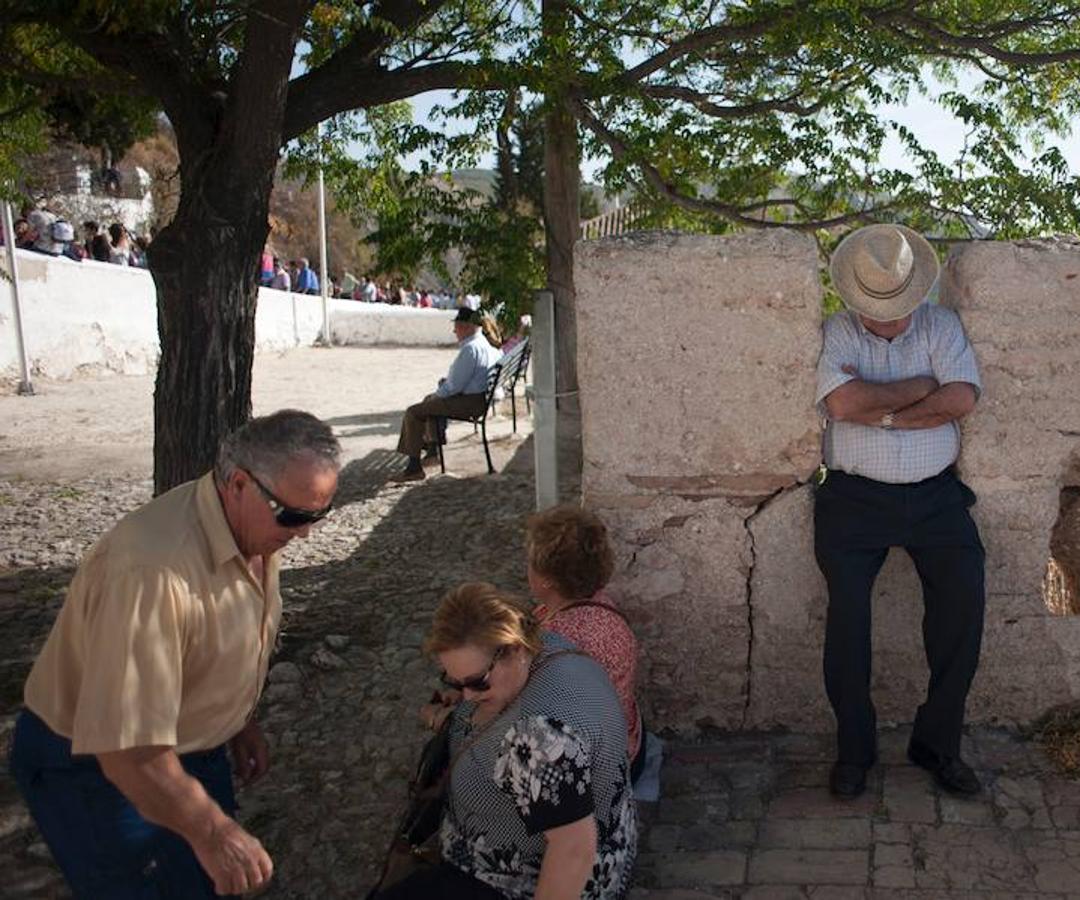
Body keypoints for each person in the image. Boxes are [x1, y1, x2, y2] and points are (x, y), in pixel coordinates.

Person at [9, 410, 341, 898]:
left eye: (318, 516)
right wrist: (213, 831)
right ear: (240, 484)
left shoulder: (250, 526)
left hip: (178, 751)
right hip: (97, 766)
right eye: (293, 516)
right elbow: (126, 749)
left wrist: (238, 720)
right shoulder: (151, 569)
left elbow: (214, 637)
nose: (304, 532)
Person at [814, 223, 986, 799]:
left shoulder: (942, 326)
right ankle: (853, 752)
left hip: (936, 497)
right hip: (853, 499)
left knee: (963, 607)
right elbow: (842, 402)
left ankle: (937, 745)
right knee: (847, 624)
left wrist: (883, 412)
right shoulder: (837, 332)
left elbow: (961, 397)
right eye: (876, 309)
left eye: (897, 307)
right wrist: (919, 388)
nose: (887, 321)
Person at [379, 582, 636, 899]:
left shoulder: (538, 739)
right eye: (454, 682)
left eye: (478, 682)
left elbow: (572, 852)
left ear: (514, 649)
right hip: (613, 845)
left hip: (516, 881)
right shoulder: (551, 645)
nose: (468, 696)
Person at [526, 505, 646, 780]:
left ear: (546, 581)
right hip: (629, 740)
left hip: (602, 769)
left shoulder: (555, 639)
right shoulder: (601, 603)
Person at [390, 307, 502, 483]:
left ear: (465, 327)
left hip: (470, 403)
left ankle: (414, 467)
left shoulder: (470, 349)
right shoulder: (485, 344)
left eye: (456, 327)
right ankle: (432, 452)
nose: (454, 331)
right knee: (429, 403)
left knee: (413, 412)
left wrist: (439, 392)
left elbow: (454, 386)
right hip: (480, 399)